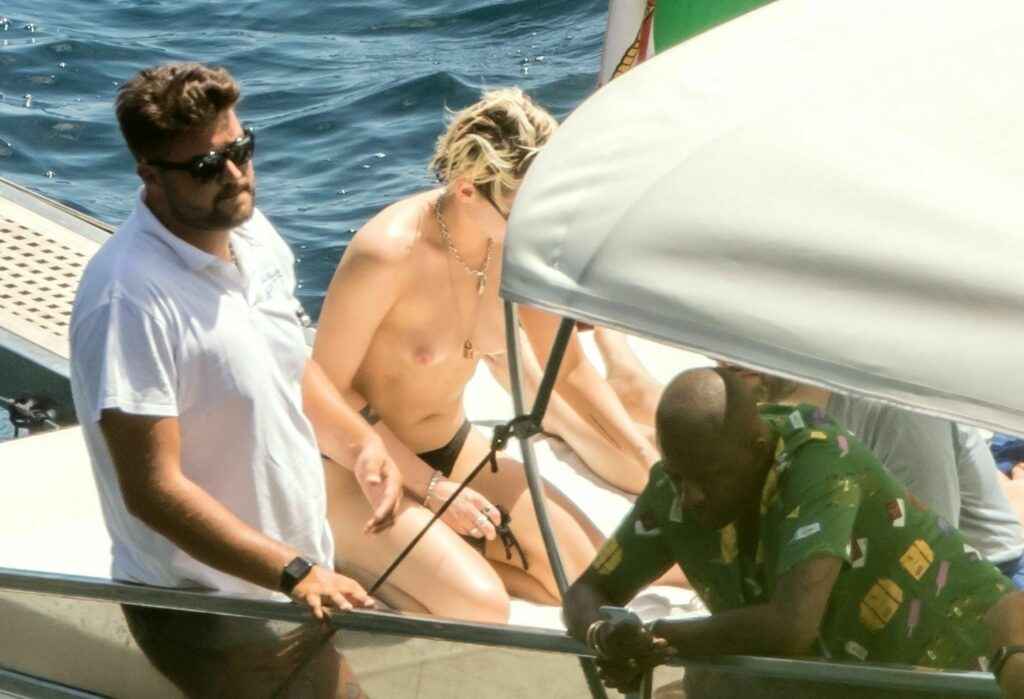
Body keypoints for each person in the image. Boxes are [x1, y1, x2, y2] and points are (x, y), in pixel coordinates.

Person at [69, 62, 402, 698]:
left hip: (289, 586)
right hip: (209, 610)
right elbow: (152, 489)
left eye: (241, 149)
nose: (234, 174)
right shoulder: (128, 298)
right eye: (205, 166)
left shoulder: (250, 232)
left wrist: (358, 442)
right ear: (149, 175)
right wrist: (294, 572)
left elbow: (285, 361)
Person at [314, 87, 671, 620]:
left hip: (454, 447)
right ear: (466, 190)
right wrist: (432, 490)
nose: (536, 223)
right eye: (521, 208)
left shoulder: (513, 245)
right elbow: (322, 391)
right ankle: (354, 552)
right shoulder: (388, 253)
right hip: (358, 470)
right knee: (481, 608)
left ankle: (451, 554)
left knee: (588, 581)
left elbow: (567, 370)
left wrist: (651, 469)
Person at [563, 367, 1024, 698]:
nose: (691, 497)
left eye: (709, 479)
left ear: (759, 450)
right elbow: (587, 589)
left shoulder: (819, 457)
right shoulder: (682, 480)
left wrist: (658, 638)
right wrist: (605, 635)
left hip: (974, 666)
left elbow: (791, 626)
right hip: (859, 677)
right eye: (677, 477)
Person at [726, 369, 1024, 590]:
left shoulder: (896, 406)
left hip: (985, 578)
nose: (727, 359)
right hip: (889, 569)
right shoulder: (782, 415)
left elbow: (928, 551)